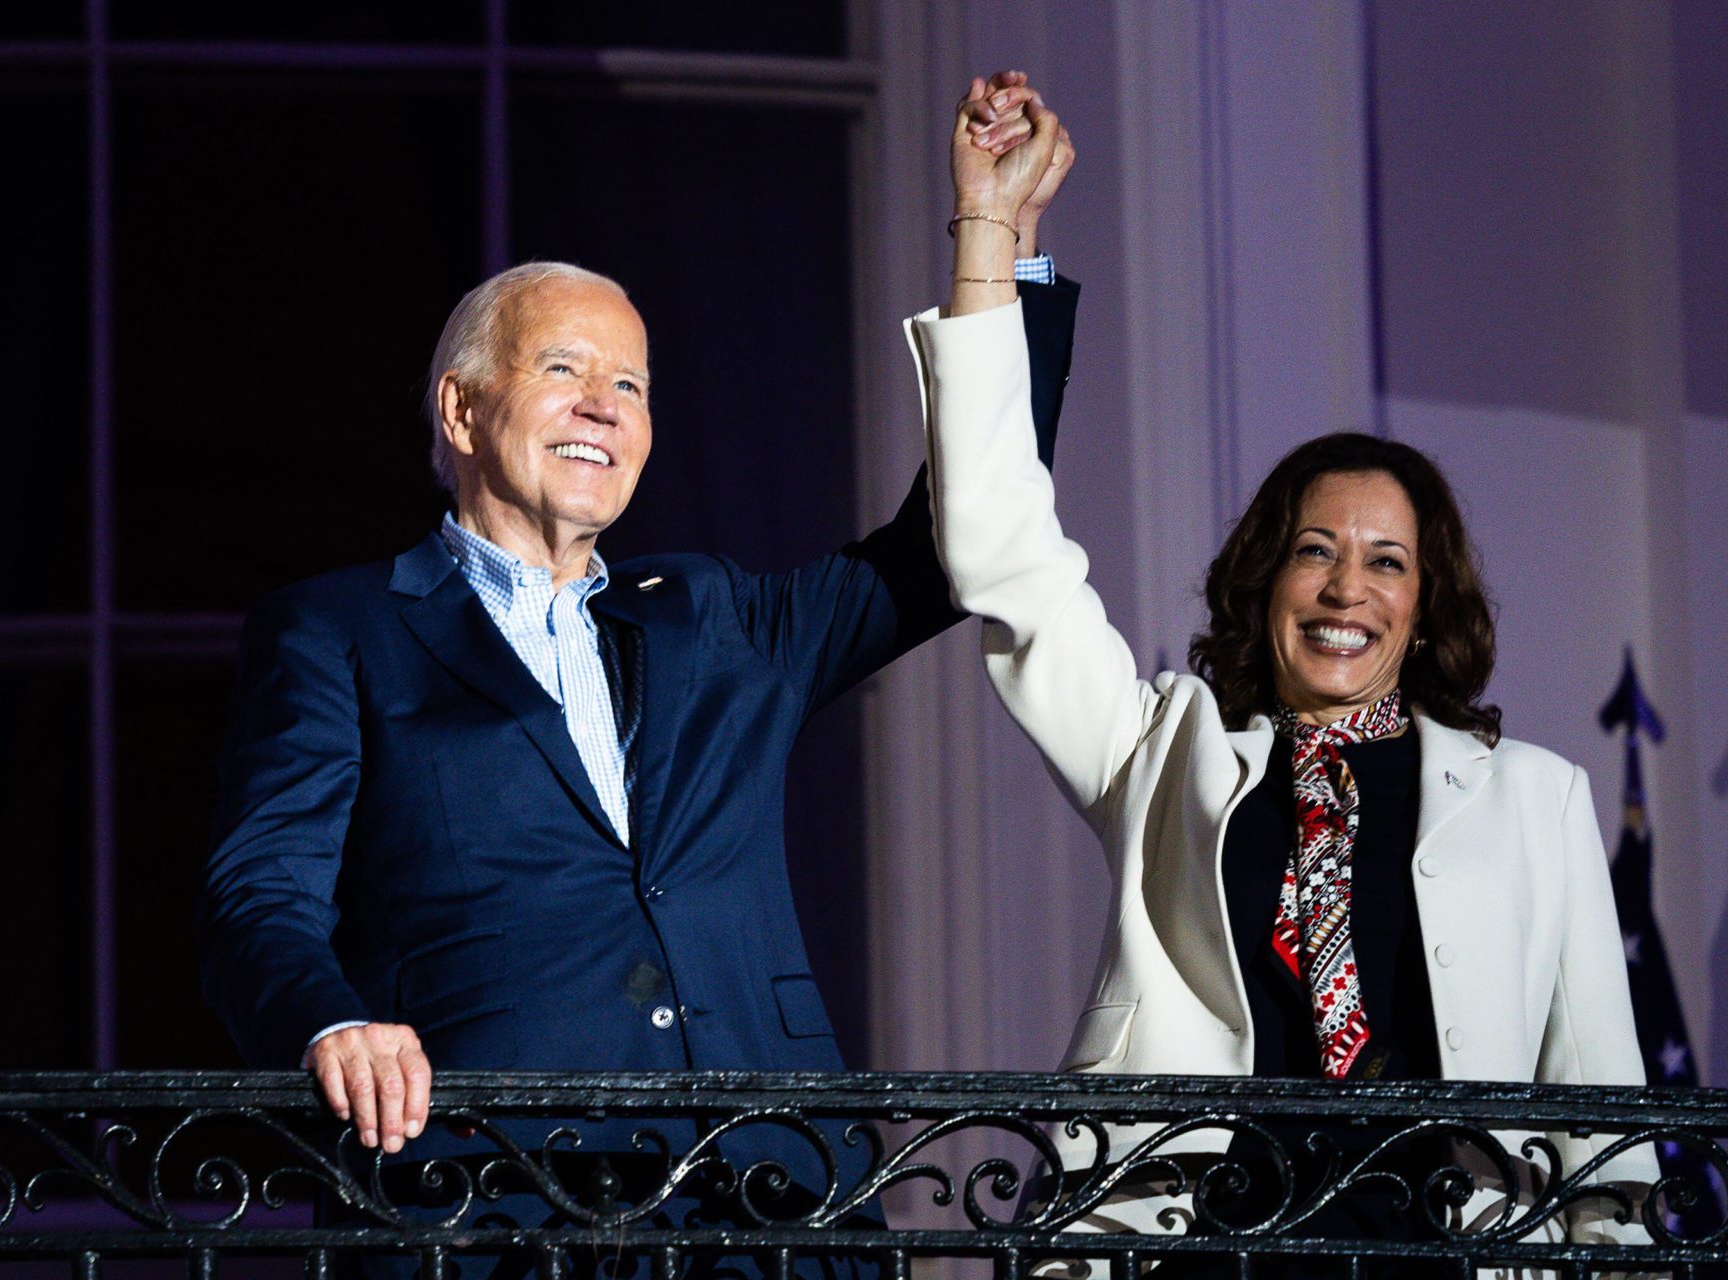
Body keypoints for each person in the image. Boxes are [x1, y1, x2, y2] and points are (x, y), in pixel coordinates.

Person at [196, 71, 1076, 1271]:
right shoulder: (339, 628)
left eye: (632, 385)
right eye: (564, 369)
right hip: (489, 1201)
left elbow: (951, 544)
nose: (603, 408)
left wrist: (994, 241)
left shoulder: (713, 615)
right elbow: (259, 895)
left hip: (772, 1197)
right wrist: (332, 1021)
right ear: (461, 410)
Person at [909, 97, 1658, 1268]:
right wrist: (986, 233)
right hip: (1197, 1246)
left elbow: (1605, 1131)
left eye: (1386, 560)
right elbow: (1000, 548)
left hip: (1446, 1252)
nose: (1345, 586)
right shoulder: (1162, 750)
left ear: (1424, 608)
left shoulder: (1540, 798)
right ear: (1266, 581)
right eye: (1315, 549)